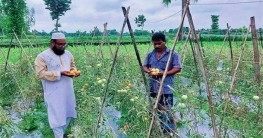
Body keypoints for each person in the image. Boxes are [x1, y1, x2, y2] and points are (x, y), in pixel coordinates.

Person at [34, 32, 79, 138]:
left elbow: (72, 66)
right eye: (60, 44)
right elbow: (40, 74)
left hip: (68, 90)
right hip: (53, 92)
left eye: (64, 44)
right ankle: (58, 135)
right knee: (56, 116)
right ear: (52, 43)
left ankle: (61, 134)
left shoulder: (68, 54)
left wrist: (74, 72)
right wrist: (60, 73)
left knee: (68, 113)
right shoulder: (42, 57)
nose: (62, 46)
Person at [143, 32, 181, 135]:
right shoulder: (150, 54)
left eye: (159, 43)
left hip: (166, 88)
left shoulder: (173, 54)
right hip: (152, 87)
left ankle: (169, 133)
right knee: (154, 110)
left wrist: (163, 73)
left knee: (167, 112)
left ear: (164, 42)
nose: (157, 46)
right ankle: (156, 131)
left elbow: (177, 68)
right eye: (155, 44)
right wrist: (148, 71)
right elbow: (144, 66)